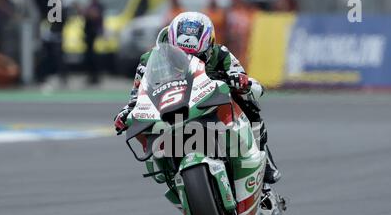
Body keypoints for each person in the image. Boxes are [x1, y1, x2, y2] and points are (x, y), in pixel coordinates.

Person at [114, 12, 281, 184]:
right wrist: (128, 110)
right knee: (138, 122)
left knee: (249, 96)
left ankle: (263, 156)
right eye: (180, 53)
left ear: (209, 45)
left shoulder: (221, 53)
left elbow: (239, 75)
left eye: (196, 55)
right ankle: (168, 168)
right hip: (173, 104)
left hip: (210, 99)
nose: (188, 58)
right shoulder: (149, 60)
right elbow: (137, 92)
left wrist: (239, 80)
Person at [81, 0, 103, 84]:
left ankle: (95, 77)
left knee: (93, 57)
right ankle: (91, 76)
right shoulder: (90, 5)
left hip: (93, 34)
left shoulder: (97, 5)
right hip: (88, 33)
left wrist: (86, 12)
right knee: (89, 56)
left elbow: (95, 15)